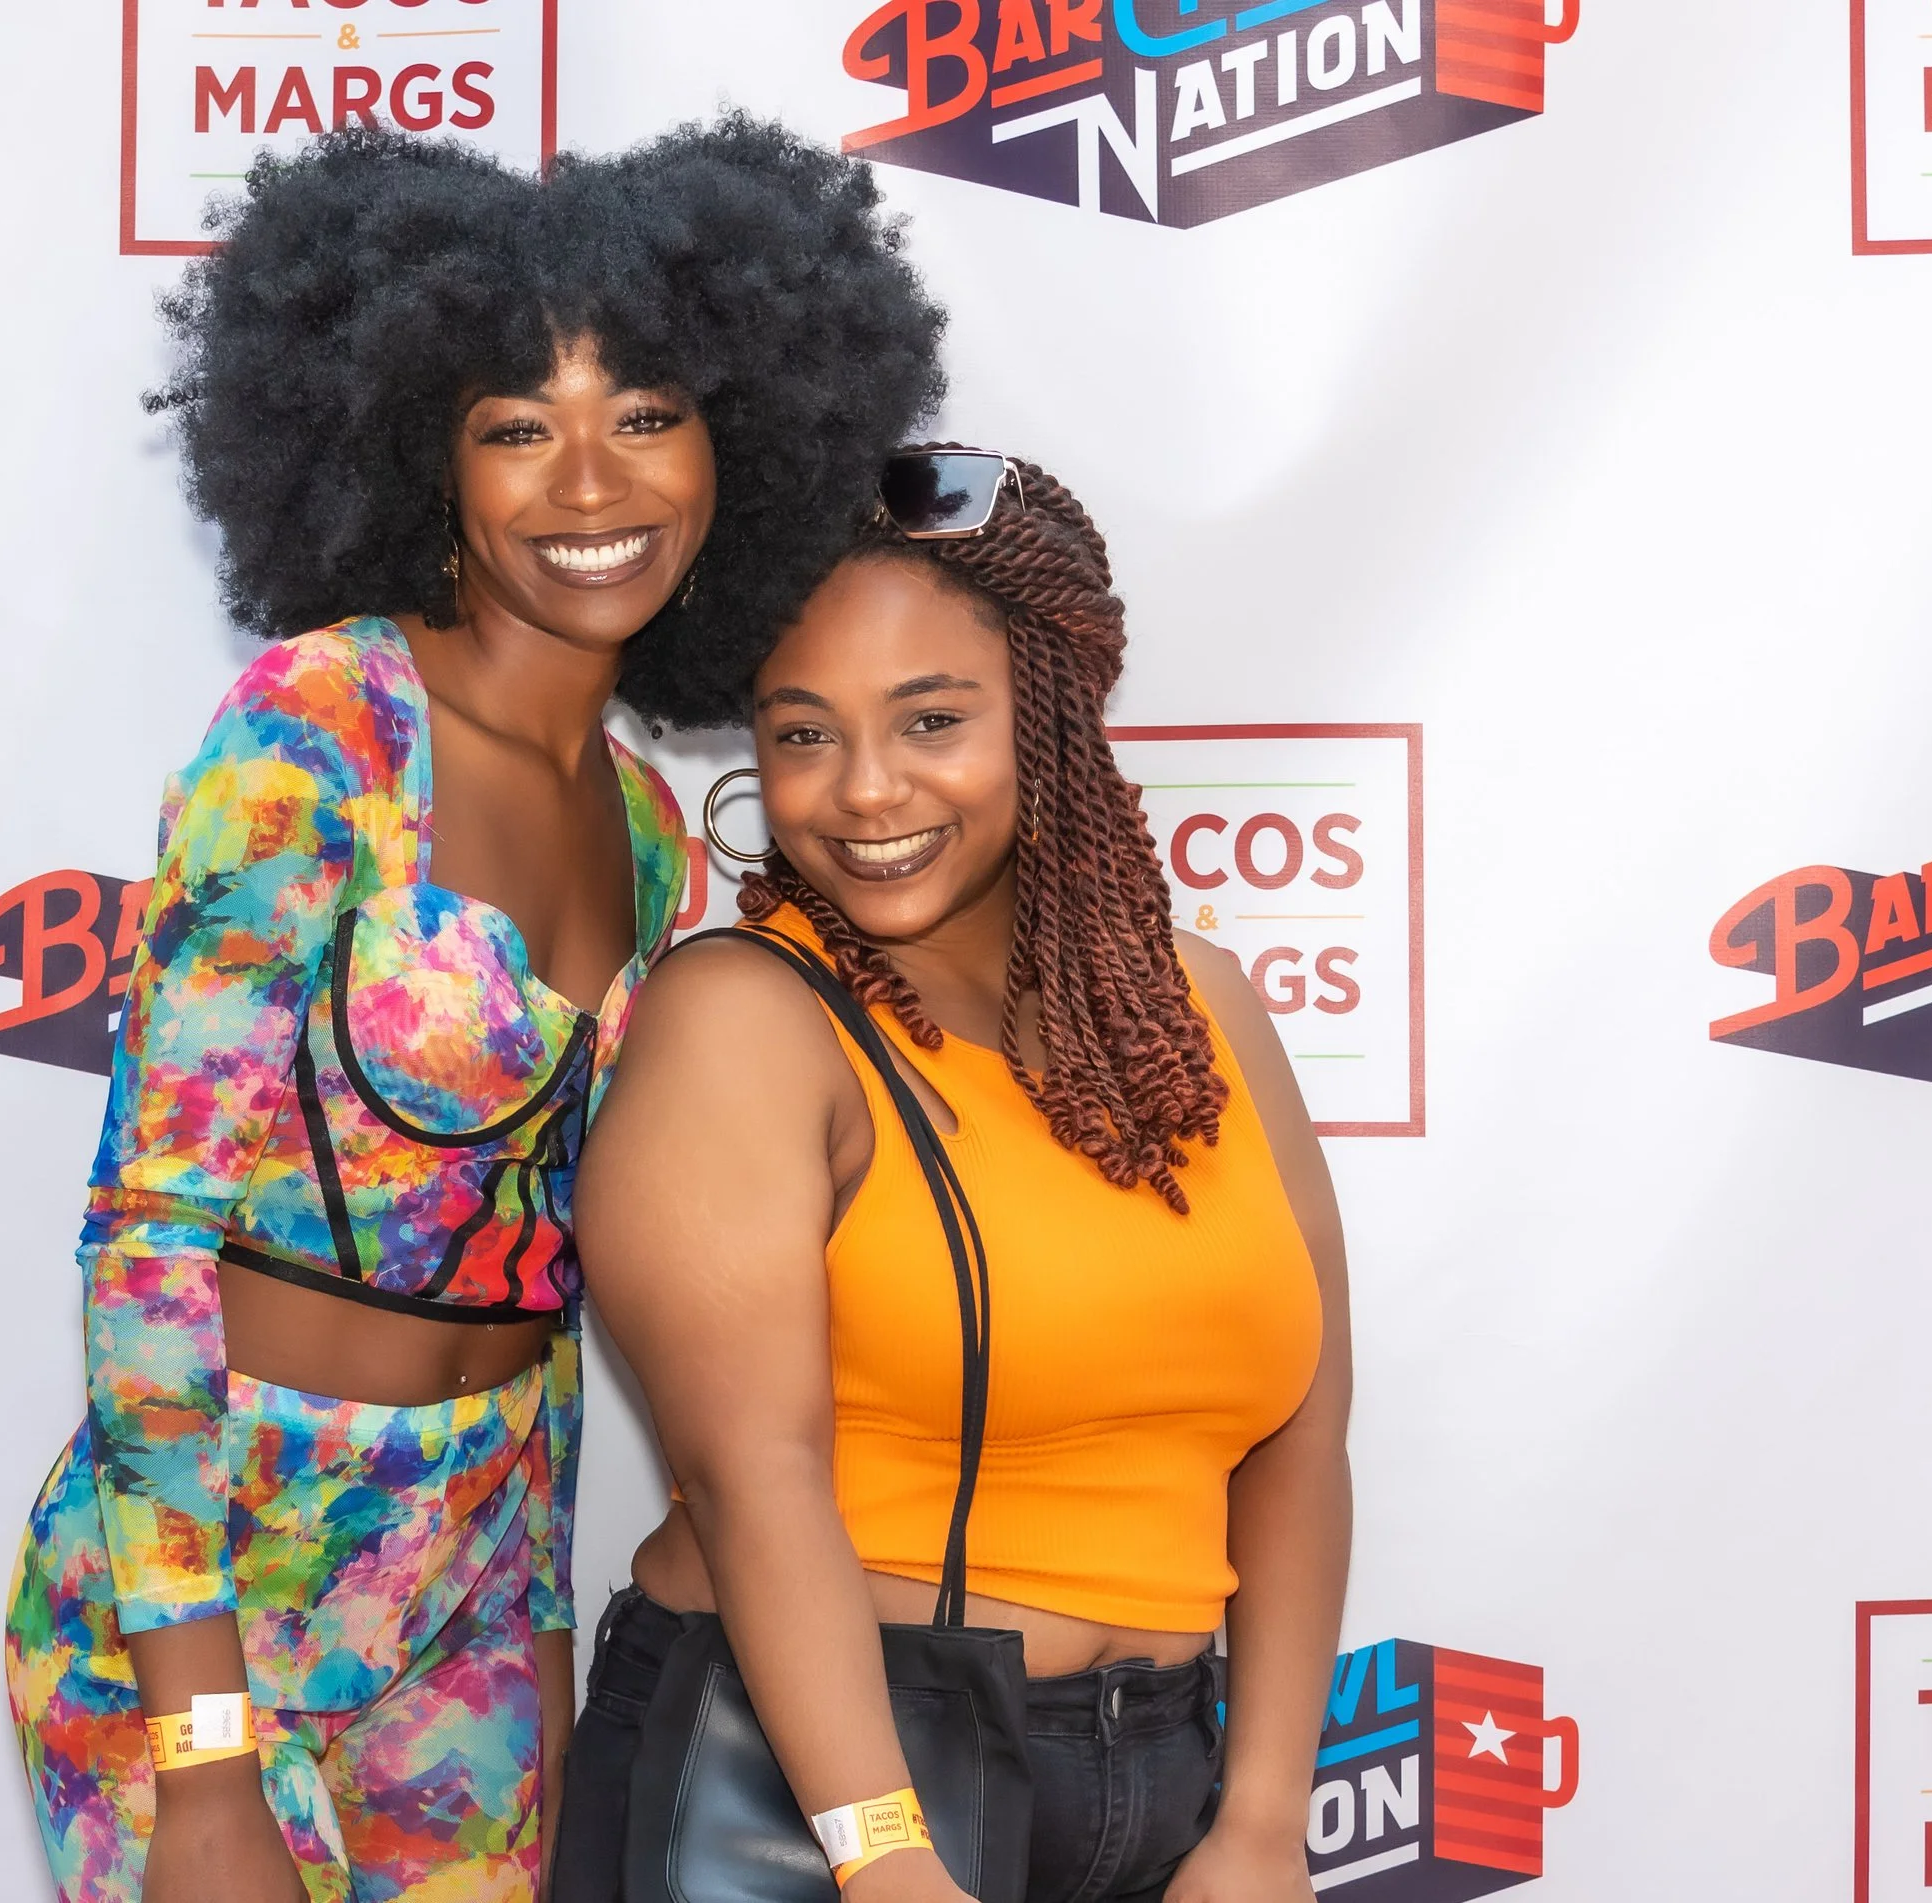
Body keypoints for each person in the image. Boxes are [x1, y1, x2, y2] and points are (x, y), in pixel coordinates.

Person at [2, 123, 943, 1903]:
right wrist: (204, 1763)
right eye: (519, 424)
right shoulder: (322, 732)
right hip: (213, 1590)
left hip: (477, 1599)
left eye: (647, 412)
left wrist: (545, 1669)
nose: (594, 479)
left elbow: (571, 1293)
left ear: (739, 441)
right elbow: (147, 1239)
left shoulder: (661, 843)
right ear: (421, 457)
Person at [562, 451, 1353, 1903]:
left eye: (931, 719)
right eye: (804, 733)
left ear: (1049, 724)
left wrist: (1259, 1819)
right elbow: (758, 1476)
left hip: (1167, 1784)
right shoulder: (743, 1017)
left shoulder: (1204, 1010)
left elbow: (1299, 1437)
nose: (865, 792)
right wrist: (879, 1851)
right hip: (810, 1788)